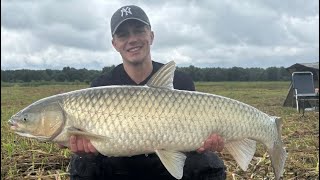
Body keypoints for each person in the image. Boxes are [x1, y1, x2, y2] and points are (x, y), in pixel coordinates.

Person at [64, 5, 226, 180]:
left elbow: (193, 141)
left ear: (151, 35)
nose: (132, 39)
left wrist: (208, 142)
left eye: (139, 31)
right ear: (114, 44)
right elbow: (87, 143)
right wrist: (85, 150)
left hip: (164, 164)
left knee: (208, 163)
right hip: (121, 165)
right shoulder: (102, 86)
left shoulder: (180, 81)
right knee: (82, 164)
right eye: (123, 34)